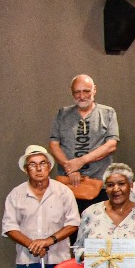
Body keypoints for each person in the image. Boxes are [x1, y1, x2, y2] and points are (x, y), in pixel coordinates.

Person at [2, 145, 79, 268]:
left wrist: (48, 241)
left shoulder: (63, 192)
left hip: (59, 262)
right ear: (25, 169)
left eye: (43, 163)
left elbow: (73, 223)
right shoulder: (15, 194)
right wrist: (32, 244)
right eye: (32, 164)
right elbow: (9, 226)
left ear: (49, 167)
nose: (38, 168)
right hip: (28, 264)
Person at [49, 74, 119, 207]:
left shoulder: (108, 113)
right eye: (77, 92)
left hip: (99, 185)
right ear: (71, 92)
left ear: (94, 90)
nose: (82, 96)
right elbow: (53, 145)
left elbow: (111, 145)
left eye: (86, 91)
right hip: (67, 184)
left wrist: (80, 162)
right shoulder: (62, 114)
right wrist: (70, 169)